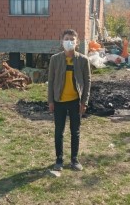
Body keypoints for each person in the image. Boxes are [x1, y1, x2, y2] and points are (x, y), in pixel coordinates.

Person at [48, 29, 91, 171]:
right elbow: (51, 80)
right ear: (62, 41)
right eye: (67, 39)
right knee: (58, 131)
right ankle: (59, 160)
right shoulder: (55, 59)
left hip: (75, 102)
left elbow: (87, 81)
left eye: (72, 39)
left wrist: (84, 102)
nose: (69, 42)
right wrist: (51, 101)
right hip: (59, 101)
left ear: (77, 42)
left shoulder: (83, 60)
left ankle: (74, 160)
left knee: (75, 131)